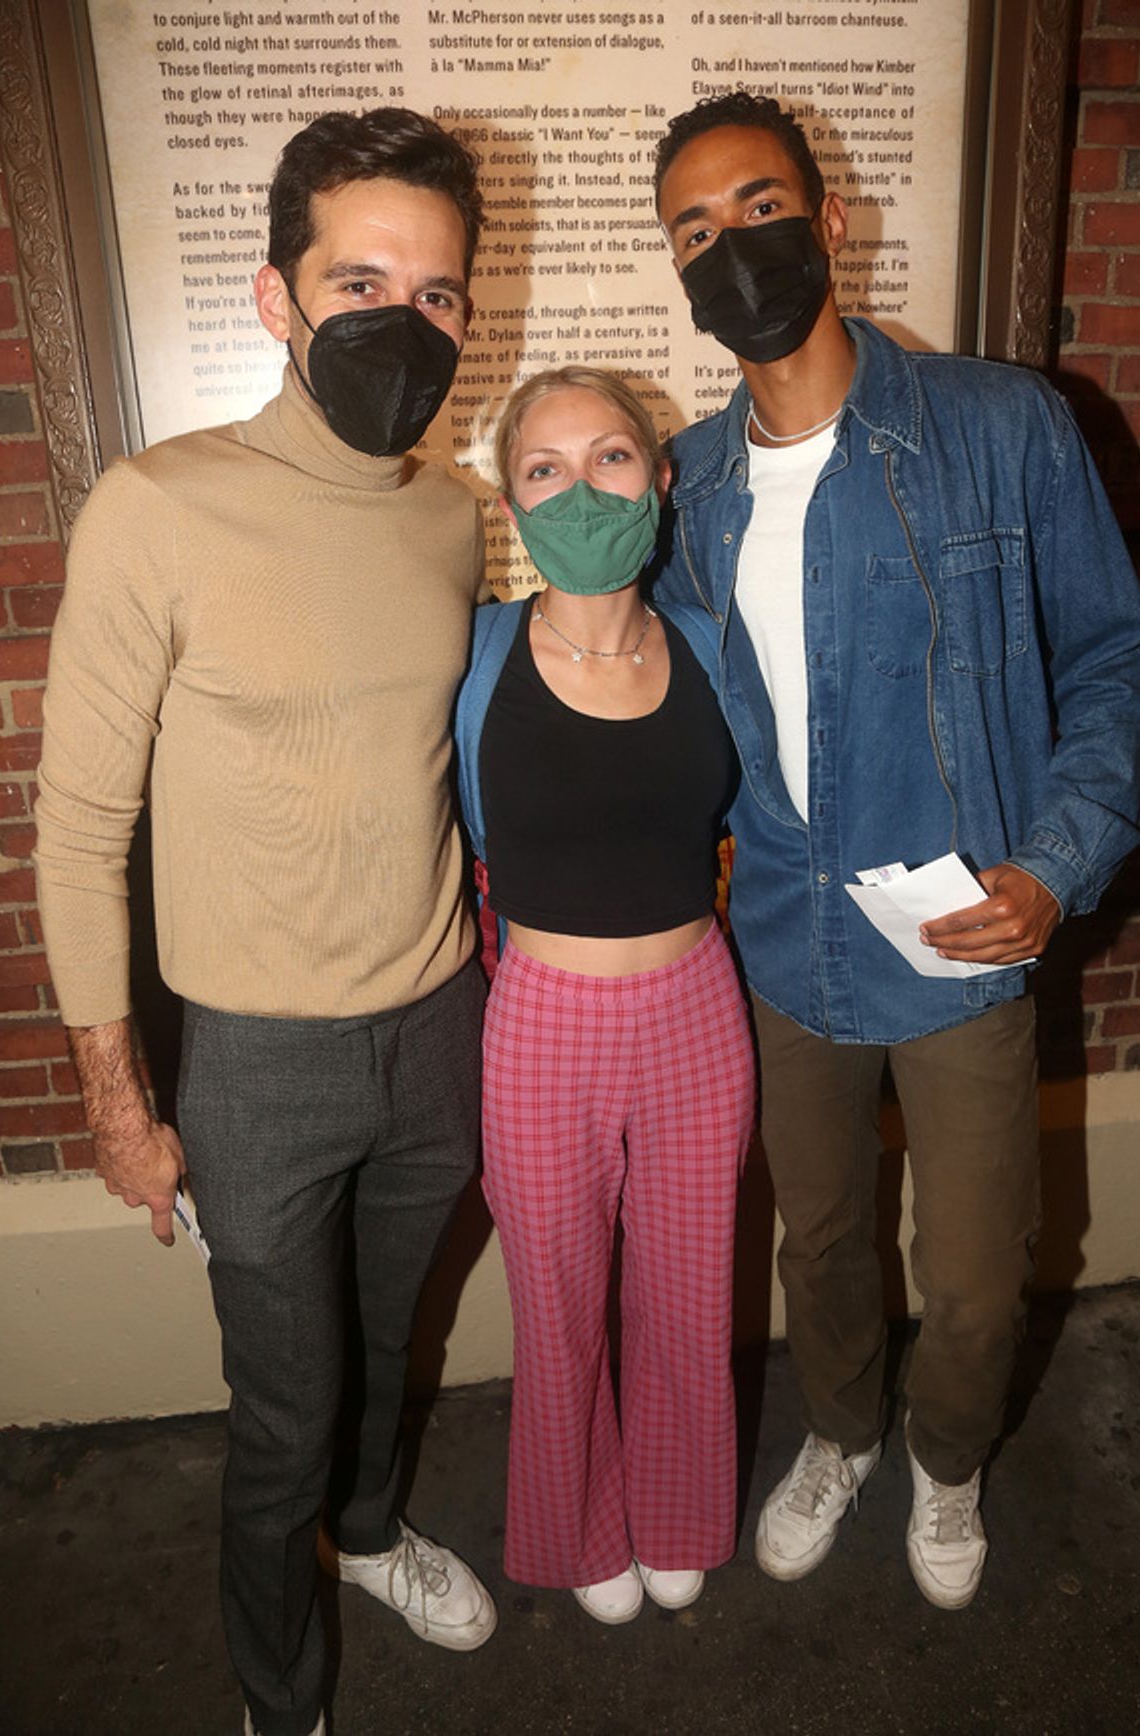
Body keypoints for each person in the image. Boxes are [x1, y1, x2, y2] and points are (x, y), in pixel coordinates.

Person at [650, 91, 1140, 1610]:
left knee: (979, 1267)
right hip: (788, 937)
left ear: (829, 215)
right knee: (818, 1243)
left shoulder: (1001, 425)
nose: (731, 245)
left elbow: (1116, 658)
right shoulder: (688, 484)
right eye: (694, 229)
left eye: (756, 205)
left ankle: (947, 1463)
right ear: (676, 270)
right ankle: (840, 1433)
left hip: (963, 935)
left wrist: (1057, 864)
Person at [34, 109, 498, 1736]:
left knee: (390, 1341)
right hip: (251, 1062)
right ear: (275, 296)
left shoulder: (451, 516)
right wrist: (118, 1097)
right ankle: (277, 1695)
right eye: (360, 277)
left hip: (442, 1024)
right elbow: (79, 820)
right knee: (284, 1409)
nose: (403, 319)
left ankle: (369, 1538)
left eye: (438, 293)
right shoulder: (156, 509)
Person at [454, 366, 755, 1623]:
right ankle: (580, 1527)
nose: (581, 487)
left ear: (661, 474)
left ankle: (682, 1508)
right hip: (538, 1023)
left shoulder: (711, 645)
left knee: (691, 1292)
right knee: (559, 1300)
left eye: (611, 457)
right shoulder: (471, 652)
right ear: (510, 501)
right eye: (544, 468)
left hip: (698, 1007)